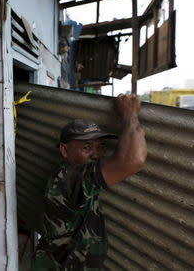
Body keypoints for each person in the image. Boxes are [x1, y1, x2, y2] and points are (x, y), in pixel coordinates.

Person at [36, 94, 147, 270]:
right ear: (64, 151)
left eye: (101, 146)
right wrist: (129, 113)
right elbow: (133, 160)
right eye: (86, 147)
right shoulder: (68, 178)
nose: (96, 154)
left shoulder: (74, 174)